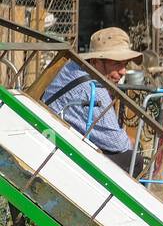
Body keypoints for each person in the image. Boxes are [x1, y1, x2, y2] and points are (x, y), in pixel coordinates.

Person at [41, 27, 143, 174]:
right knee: (134, 160)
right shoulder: (95, 91)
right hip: (63, 152)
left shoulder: (72, 67)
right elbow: (119, 144)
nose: (123, 72)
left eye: (125, 65)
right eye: (117, 64)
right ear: (96, 61)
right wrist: (131, 141)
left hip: (53, 137)